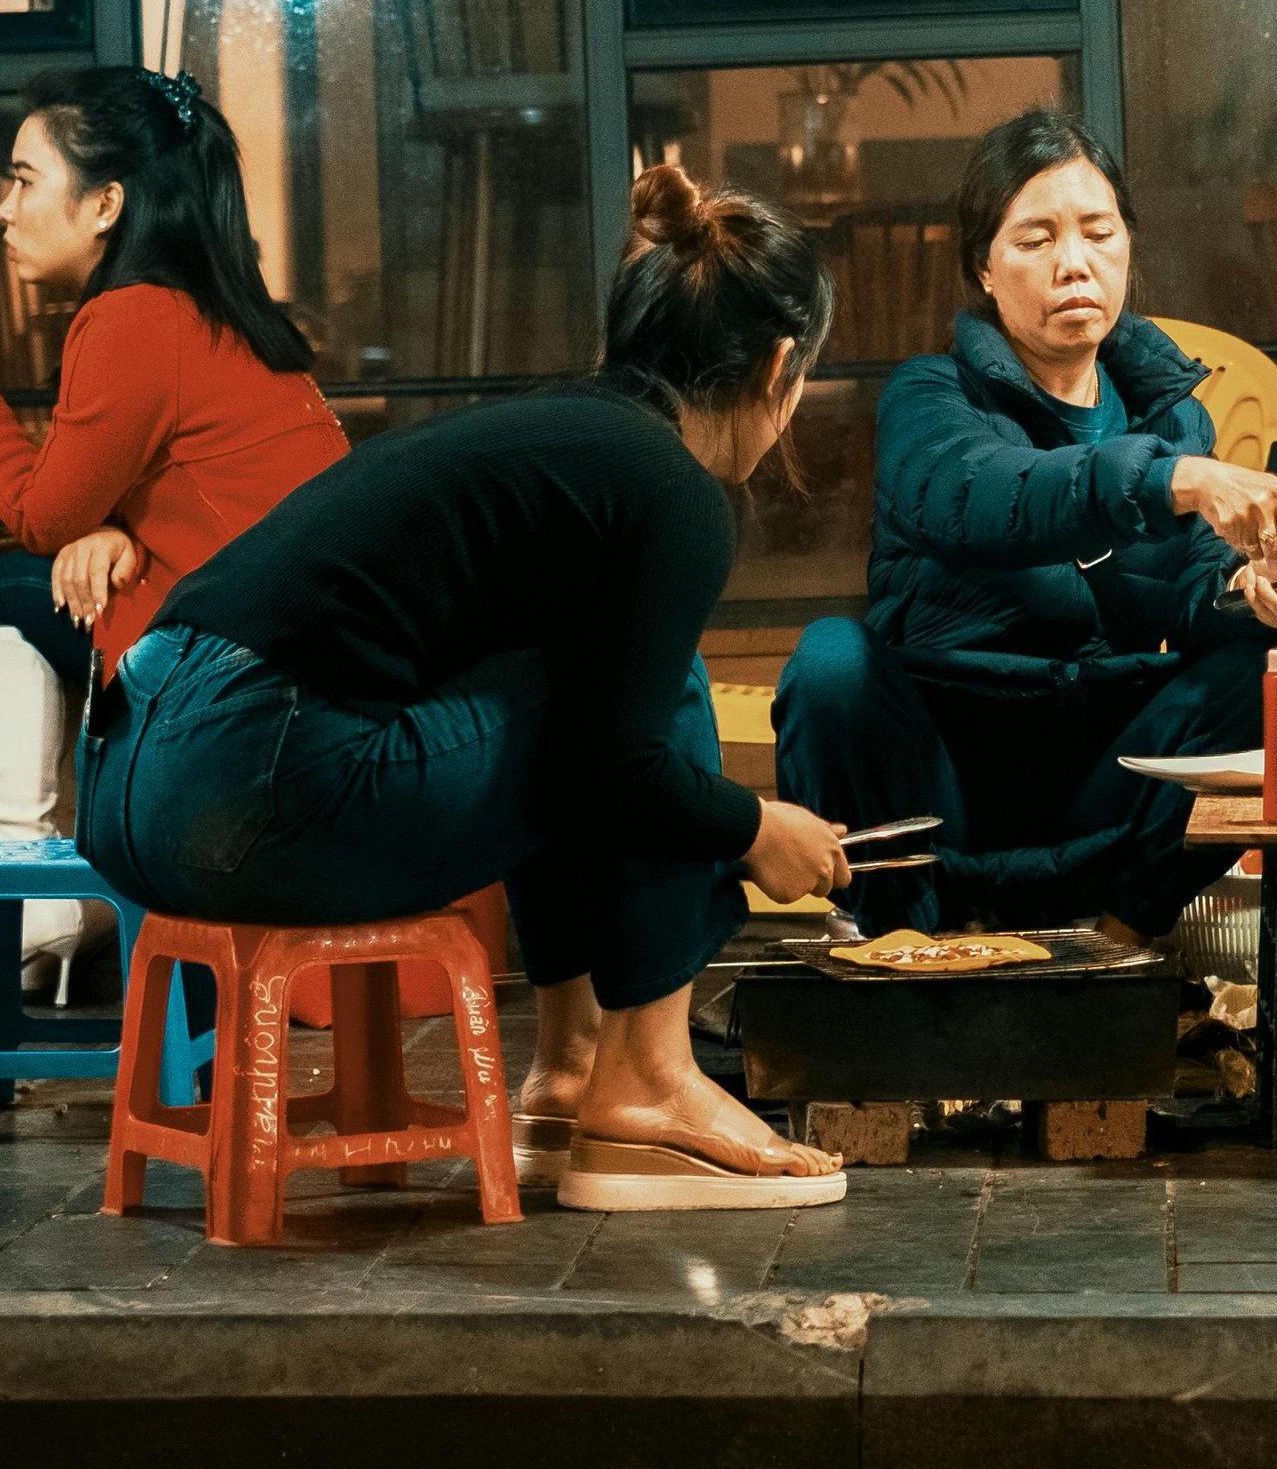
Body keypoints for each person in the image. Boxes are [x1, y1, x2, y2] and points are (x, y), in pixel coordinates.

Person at [81, 166, 856, 1211]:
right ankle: (652, 1083)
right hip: (256, 780)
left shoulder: (556, 439)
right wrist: (757, 826)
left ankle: (573, 1067)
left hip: (130, 784)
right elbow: (615, 767)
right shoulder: (671, 489)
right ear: (779, 366)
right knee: (660, 682)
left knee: (592, 677)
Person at [0, 66, 347, 992]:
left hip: (236, 675)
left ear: (106, 204)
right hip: (297, 659)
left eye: (24, 179)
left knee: (6, 591)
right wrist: (115, 528)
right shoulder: (220, 312)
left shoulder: (130, 318)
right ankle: (58, 908)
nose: (3, 208)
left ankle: (30, 905)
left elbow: (41, 512)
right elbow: (177, 488)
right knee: (42, 584)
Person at [772, 109, 1277, 943]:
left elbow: (1194, 588)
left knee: (1271, 662)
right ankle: (904, 945)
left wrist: (1248, 590)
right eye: (1036, 239)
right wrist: (1175, 479)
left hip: (1101, 779)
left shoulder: (1174, 417)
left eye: (1098, 233)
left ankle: (1120, 941)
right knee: (831, 665)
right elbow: (991, 494)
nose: (1074, 265)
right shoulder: (929, 399)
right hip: (944, 780)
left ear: (1128, 246)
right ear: (982, 267)